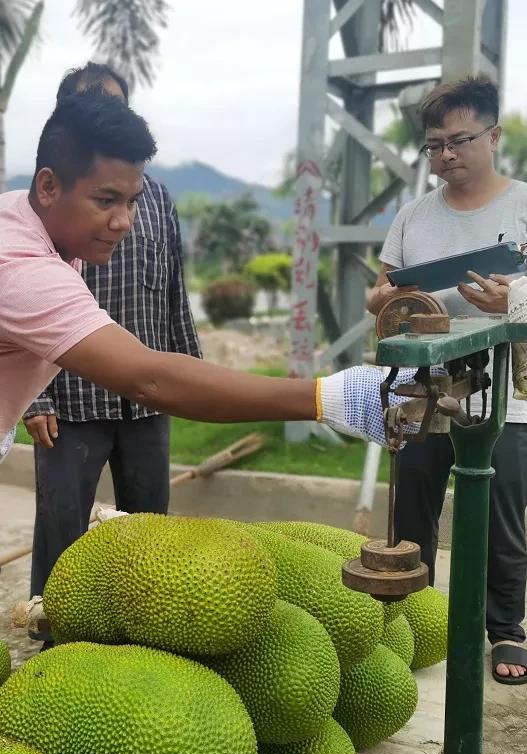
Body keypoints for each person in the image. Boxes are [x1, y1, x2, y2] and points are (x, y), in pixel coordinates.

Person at [0, 92, 413, 514]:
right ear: (49, 186)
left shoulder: (25, 214)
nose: (123, 221)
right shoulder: (24, 269)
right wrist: (332, 398)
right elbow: (151, 380)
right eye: (106, 201)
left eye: (131, 201)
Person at [21, 64, 201, 647]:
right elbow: (24, 317)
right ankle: (60, 645)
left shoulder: (153, 197)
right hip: (71, 400)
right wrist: (36, 397)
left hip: (145, 402)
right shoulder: (44, 216)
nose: (118, 216)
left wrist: (189, 377)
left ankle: (144, 641)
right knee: (63, 531)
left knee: (149, 530)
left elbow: (174, 290)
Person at [367, 75, 527, 685]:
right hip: (422, 388)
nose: (447, 155)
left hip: (505, 392)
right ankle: (412, 623)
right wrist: (381, 298)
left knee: (500, 513)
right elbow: (382, 295)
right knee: (413, 505)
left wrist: (509, 305)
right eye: (435, 145)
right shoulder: (413, 216)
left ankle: (506, 629)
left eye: (459, 140)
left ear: (493, 135)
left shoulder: (520, 205)